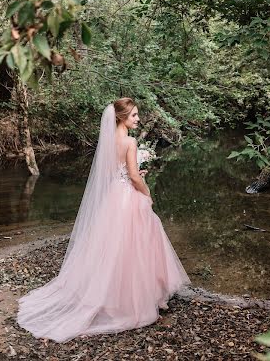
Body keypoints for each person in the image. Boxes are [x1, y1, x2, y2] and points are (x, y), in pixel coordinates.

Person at [17, 98, 191, 342]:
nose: (137, 119)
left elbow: (114, 172)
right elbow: (131, 175)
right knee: (138, 242)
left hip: (113, 196)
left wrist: (132, 174)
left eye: (137, 115)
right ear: (121, 118)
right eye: (134, 116)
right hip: (128, 196)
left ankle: (112, 295)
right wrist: (146, 190)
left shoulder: (107, 142)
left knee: (112, 245)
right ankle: (140, 298)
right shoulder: (130, 141)